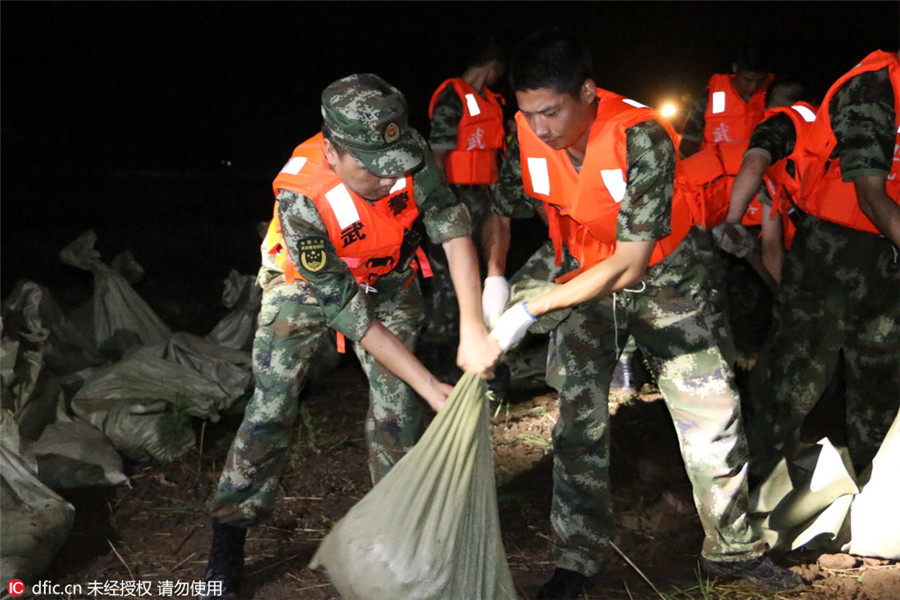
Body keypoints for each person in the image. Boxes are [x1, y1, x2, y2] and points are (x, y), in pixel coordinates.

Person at [482, 30, 801, 599]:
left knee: (710, 414)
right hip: (582, 269)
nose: (540, 127)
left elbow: (631, 264)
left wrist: (530, 307)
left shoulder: (641, 136)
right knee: (577, 420)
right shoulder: (525, 134)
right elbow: (501, 208)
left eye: (551, 112)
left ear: (587, 92)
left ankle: (732, 550)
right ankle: (576, 558)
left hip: (666, 275)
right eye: (528, 114)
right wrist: (496, 274)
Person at [199, 73, 501, 599]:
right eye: (370, 170)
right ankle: (230, 529)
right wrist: (434, 384)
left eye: (393, 166)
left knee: (397, 410)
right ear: (332, 152)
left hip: (388, 278)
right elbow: (347, 311)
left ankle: (397, 535)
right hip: (307, 289)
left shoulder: (405, 154)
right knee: (271, 409)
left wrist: (473, 325)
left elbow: (450, 226)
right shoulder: (301, 196)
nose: (387, 181)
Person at [752, 50, 900, 479]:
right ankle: (757, 483)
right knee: (799, 374)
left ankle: (877, 493)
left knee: (881, 378)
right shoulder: (871, 86)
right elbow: (871, 195)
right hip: (833, 254)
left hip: (887, 255)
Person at [420, 34, 507, 377]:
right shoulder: (452, 96)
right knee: (447, 280)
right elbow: (437, 154)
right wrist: (442, 204)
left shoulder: (489, 100)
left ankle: (474, 346)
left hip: (483, 196)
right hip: (453, 196)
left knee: (484, 273)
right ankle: (437, 353)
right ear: (492, 66)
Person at [679, 44, 773, 159]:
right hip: (714, 173)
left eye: (760, 81)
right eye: (748, 80)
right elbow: (689, 142)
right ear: (735, 69)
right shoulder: (710, 96)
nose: (753, 87)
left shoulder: (774, 94)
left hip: (758, 174)